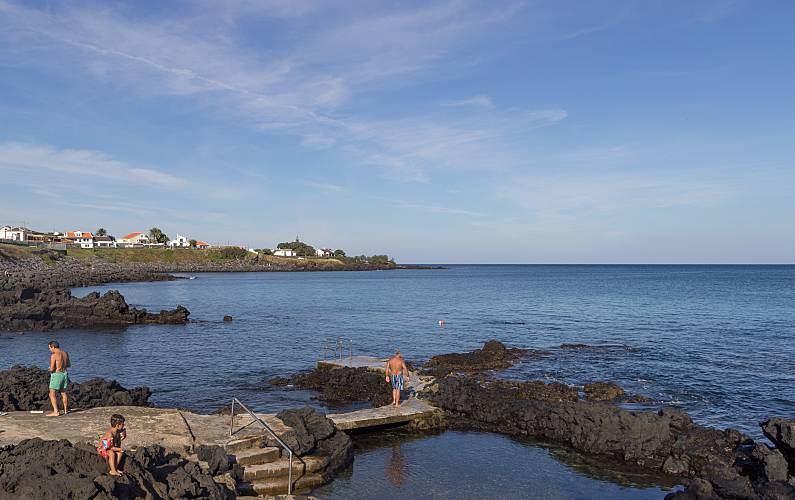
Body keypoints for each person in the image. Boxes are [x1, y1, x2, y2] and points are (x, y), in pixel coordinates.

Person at [46, 341, 70, 417]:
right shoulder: (65, 353)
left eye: (49, 348)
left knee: (51, 393)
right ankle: (66, 410)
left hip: (57, 375)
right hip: (65, 374)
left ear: (53, 347)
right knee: (63, 392)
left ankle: (56, 411)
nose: (49, 350)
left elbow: (52, 368)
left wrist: (49, 369)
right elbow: (68, 365)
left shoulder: (54, 355)